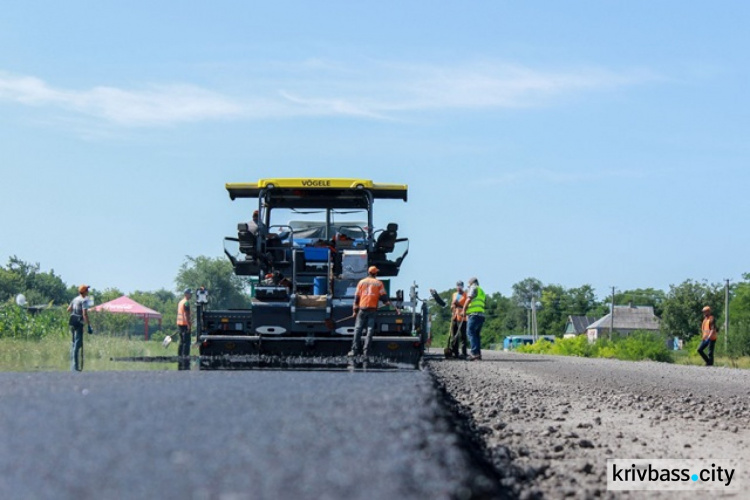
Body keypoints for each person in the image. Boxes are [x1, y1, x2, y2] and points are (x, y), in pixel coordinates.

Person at [348, 266, 400, 358]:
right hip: (372, 310)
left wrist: (354, 310)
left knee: (358, 329)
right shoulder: (378, 283)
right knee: (370, 330)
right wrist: (386, 302)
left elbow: (356, 297)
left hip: (362, 309)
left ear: (368, 273)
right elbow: (383, 296)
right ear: (375, 274)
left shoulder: (361, 282)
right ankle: (366, 351)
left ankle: (354, 350)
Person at [67, 284, 93, 372]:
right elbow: (85, 314)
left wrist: (75, 311)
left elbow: (69, 309)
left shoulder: (75, 299)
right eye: (87, 290)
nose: (88, 291)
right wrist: (89, 326)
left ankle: (72, 365)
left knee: (73, 343)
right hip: (79, 322)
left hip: (72, 321)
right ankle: (76, 367)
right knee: (77, 344)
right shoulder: (84, 300)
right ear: (84, 291)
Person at [462, 277, 486, 361]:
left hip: (474, 315)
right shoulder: (481, 290)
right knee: (476, 335)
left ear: (471, 282)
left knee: (470, 333)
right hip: (481, 315)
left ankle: (474, 353)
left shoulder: (473, 288)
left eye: (468, 283)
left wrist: (464, 310)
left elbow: (469, 299)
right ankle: (478, 354)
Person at [447, 280, 468, 359]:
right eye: (457, 286)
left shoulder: (465, 295)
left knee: (463, 335)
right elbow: (452, 305)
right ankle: (455, 352)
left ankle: (464, 353)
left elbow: (466, 307)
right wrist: (452, 306)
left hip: (462, 317)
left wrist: (458, 304)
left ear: (462, 287)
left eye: (460, 286)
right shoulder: (454, 294)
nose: (459, 287)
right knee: (454, 335)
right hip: (454, 316)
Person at [176, 288, 193, 370]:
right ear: (186, 294)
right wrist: (189, 325)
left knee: (181, 342)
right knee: (186, 342)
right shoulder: (186, 303)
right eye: (190, 294)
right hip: (185, 325)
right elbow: (186, 315)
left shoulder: (180, 302)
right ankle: (185, 358)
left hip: (179, 324)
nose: (191, 295)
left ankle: (180, 357)